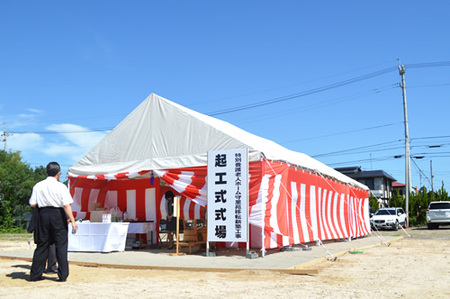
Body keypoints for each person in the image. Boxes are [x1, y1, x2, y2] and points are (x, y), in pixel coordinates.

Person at [29, 162, 78, 282]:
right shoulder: (61, 186)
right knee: (61, 245)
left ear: (46, 173)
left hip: (43, 215)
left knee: (42, 245)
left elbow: (32, 204)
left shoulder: (38, 185)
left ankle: (36, 275)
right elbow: (66, 205)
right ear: (58, 173)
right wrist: (72, 221)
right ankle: (62, 275)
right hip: (58, 215)